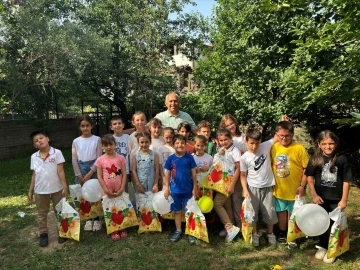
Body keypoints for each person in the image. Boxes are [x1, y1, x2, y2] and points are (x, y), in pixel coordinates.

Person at [305, 130, 352, 263]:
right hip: (320, 199)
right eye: (324, 143)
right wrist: (314, 195)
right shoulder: (315, 159)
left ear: (336, 144)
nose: (328, 146)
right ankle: (323, 246)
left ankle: (333, 250)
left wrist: (343, 199)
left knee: (334, 225)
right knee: (322, 223)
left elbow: (346, 181)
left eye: (331, 143)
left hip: (336, 201)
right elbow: (309, 177)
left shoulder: (342, 159)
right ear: (319, 144)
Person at [270, 120, 309, 245]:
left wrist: (302, 186)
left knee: (294, 212)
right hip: (280, 188)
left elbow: (306, 169)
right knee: (281, 211)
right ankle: (282, 232)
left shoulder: (299, 148)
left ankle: (293, 233)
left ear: (292, 134)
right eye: (281, 135)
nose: (284, 138)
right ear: (277, 134)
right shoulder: (274, 147)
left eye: (287, 135)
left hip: (295, 189)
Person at [28, 131, 68, 247]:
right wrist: (30, 190)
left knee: (60, 211)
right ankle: (43, 234)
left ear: (47, 138)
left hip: (57, 189)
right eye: (36, 141)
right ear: (34, 145)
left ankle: (63, 231)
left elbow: (60, 171)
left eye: (41, 138)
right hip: (40, 190)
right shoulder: (34, 157)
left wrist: (64, 186)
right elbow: (34, 174)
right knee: (42, 214)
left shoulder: (57, 153)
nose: (39, 141)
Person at [240, 128, 278, 247]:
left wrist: (283, 123)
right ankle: (255, 234)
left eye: (257, 143)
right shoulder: (244, 157)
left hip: (268, 187)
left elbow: (277, 137)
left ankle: (270, 233)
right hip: (252, 189)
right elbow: (243, 176)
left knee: (270, 212)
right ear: (246, 141)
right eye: (251, 143)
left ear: (260, 141)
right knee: (253, 213)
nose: (254, 146)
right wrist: (245, 190)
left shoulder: (265, 146)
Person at [163, 134, 198, 244]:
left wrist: (195, 188)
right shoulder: (171, 159)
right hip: (175, 191)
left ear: (185, 144)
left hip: (188, 190)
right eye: (177, 143)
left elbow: (194, 174)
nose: (180, 145)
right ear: (173, 145)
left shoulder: (189, 157)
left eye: (182, 143)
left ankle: (191, 232)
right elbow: (167, 174)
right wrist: (167, 188)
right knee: (177, 211)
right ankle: (178, 230)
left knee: (189, 211)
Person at [72, 115, 102, 231]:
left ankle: (97, 218)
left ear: (92, 126)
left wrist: (90, 173)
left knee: (95, 193)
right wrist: (79, 175)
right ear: (80, 127)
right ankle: (88, 219)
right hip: (80, 169)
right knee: (84, 195)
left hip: (93, 169)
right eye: (82, 126)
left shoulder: (97, 139)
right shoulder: (76, 141)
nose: (85, 128)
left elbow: (99, 158)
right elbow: (74, 159)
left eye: (87, 126)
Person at [95, 134, 127, 241]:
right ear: (102, 147)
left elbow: (124, 173)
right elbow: (99, 176)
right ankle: (113, 230)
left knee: (120, 208)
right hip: (108, 190)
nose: (108, 147)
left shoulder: (121, 158)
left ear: (115, 145)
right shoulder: (100, 160)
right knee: (110, 209)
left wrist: (122, 188)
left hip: (119, 188)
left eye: (110, 144)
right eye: (105, 145)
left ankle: (121, 228)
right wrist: (105, 189)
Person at [213, 129, 241, 242]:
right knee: (227, 205)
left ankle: (230, 228)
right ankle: (230, 226)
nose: (224, 142)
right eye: (221, 140)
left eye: (226, 139)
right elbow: (216, 164)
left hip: (229, 183)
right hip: (221, 182)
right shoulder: (221, 150)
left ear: (231, 139)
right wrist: (219, 154)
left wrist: (232, 185)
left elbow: (238, 168)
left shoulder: (235, 150)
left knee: (217, 204)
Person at [110, 116, 130, 192]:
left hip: (126, 170)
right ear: (111, 127)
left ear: (123, 125)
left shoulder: (128, 137)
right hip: (113, 170)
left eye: (119, 123)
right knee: (115, 191)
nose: (117, 125)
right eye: (115, 124)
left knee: (125, 192)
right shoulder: (110, 139)